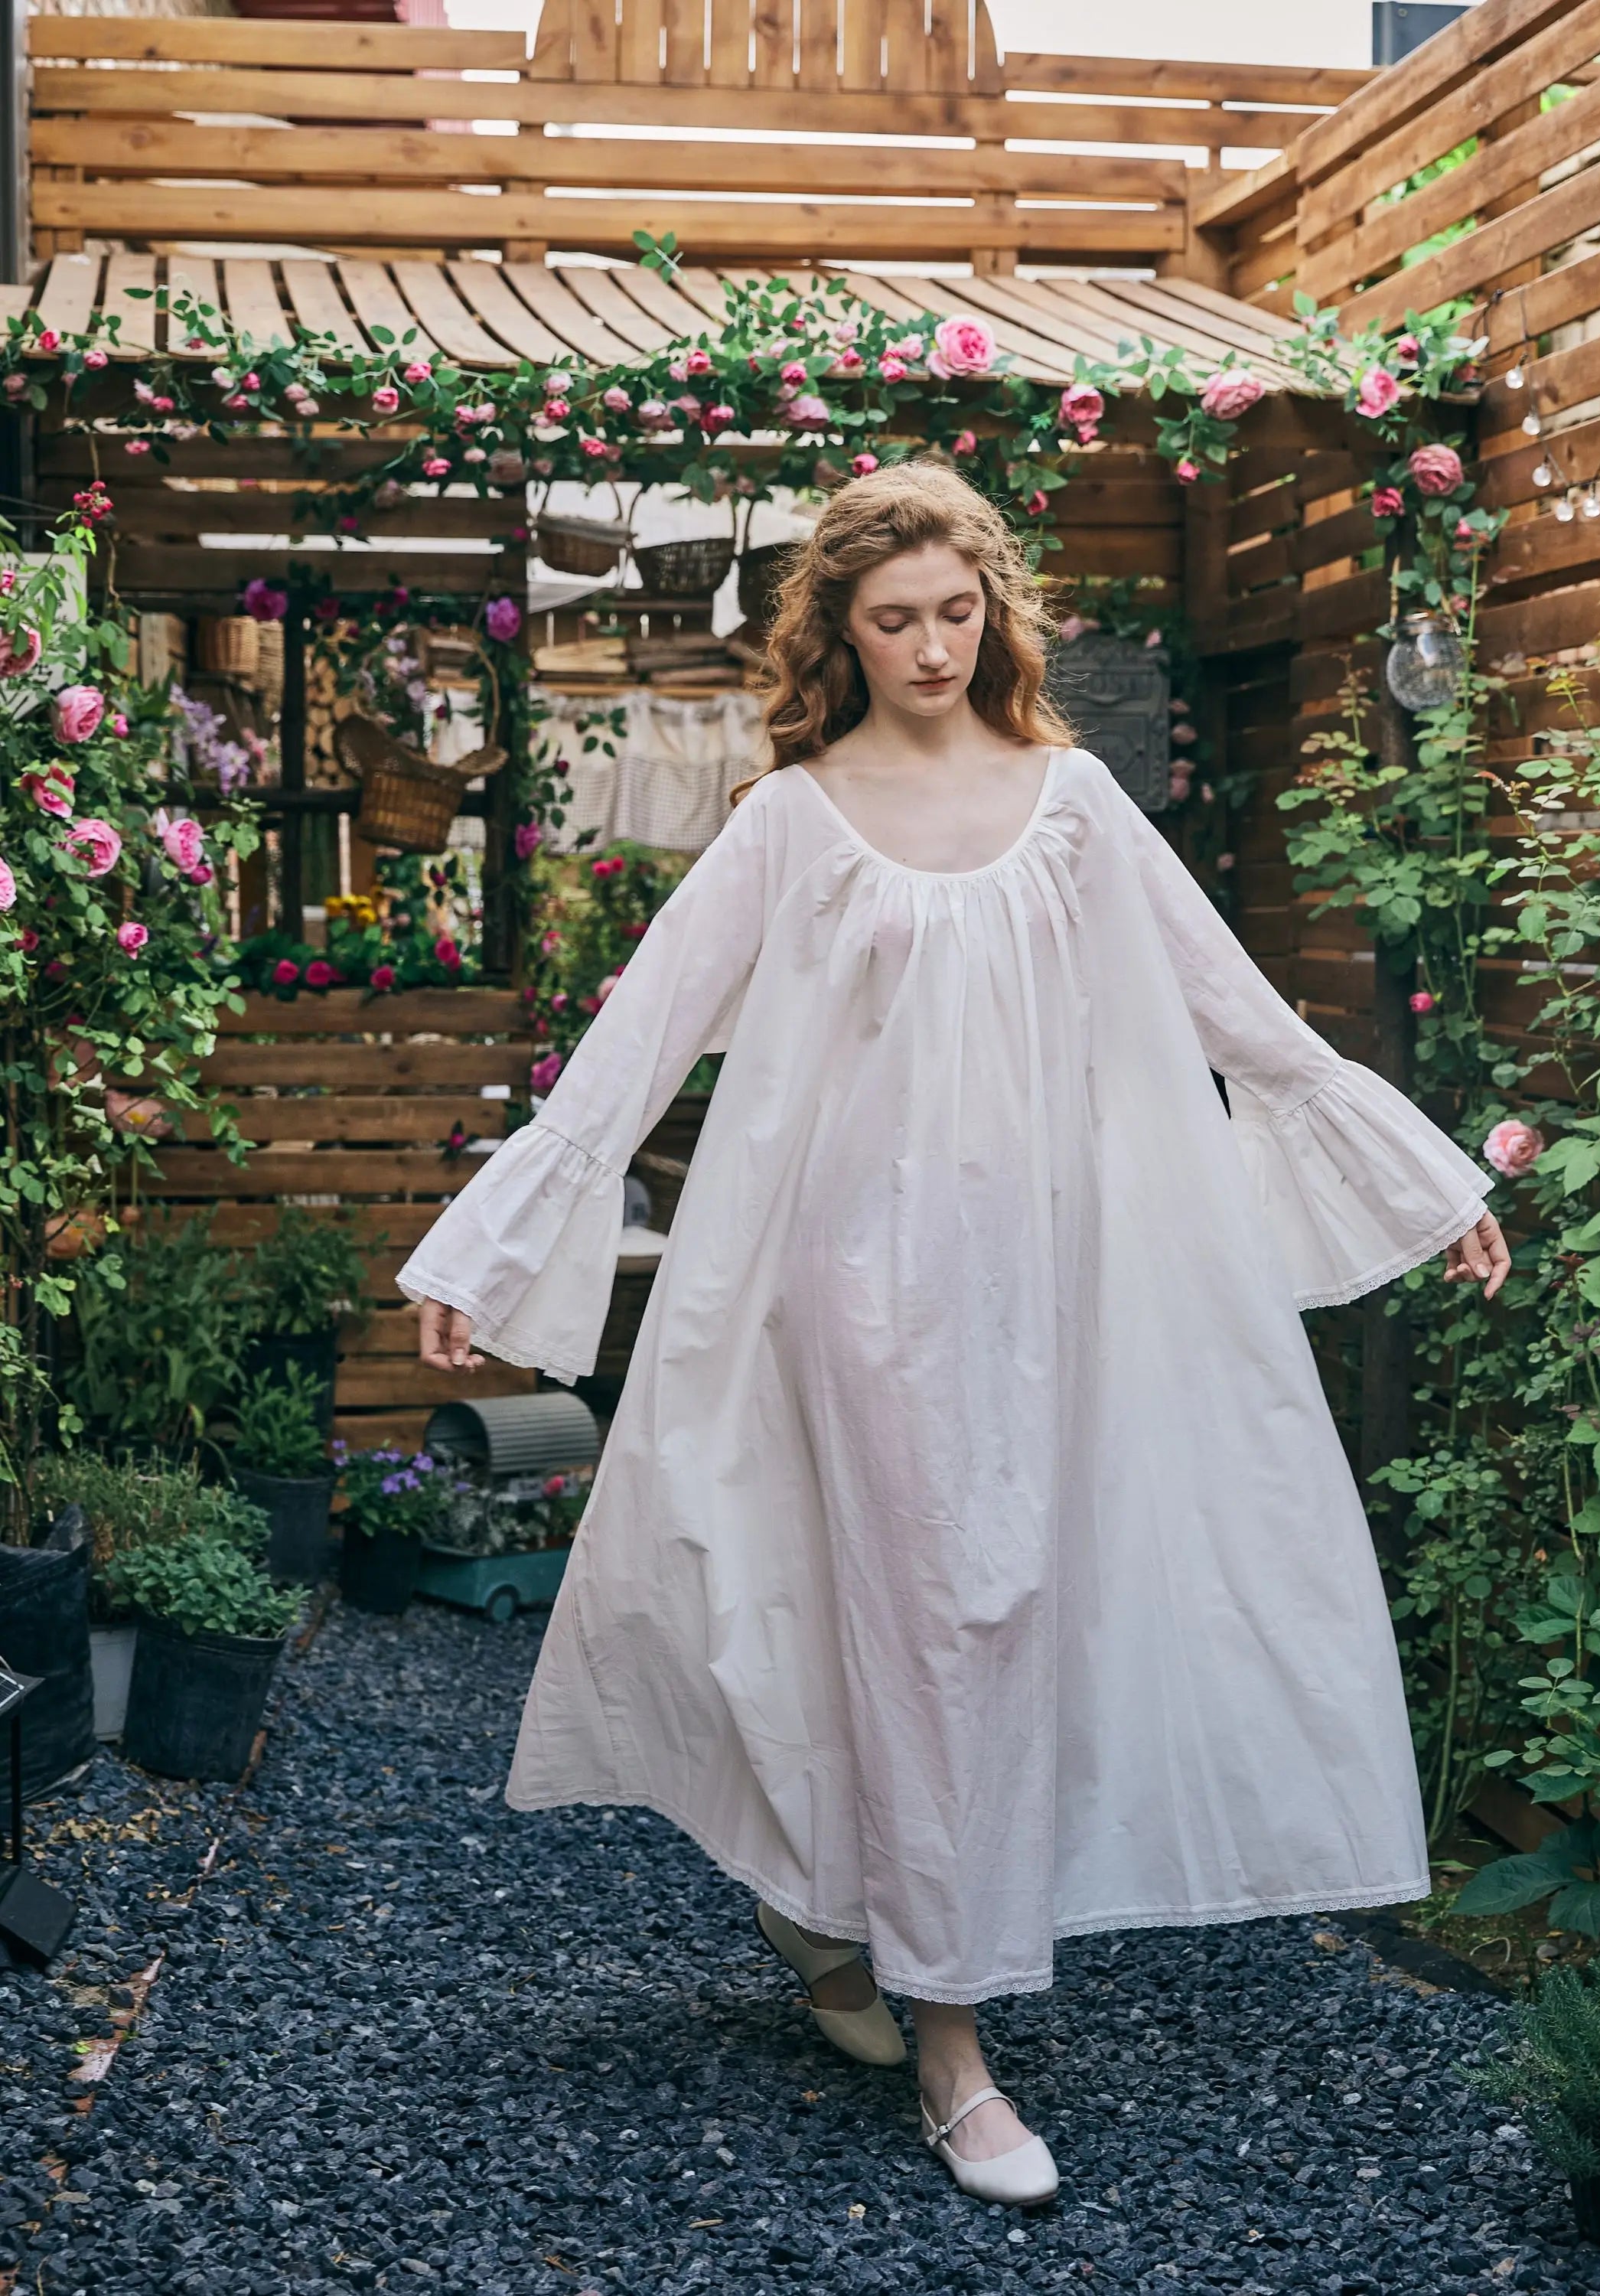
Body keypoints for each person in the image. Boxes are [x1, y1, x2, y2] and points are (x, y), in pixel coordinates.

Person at [404, 463, 1508, 2209]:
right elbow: (636, 1044)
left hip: (1049, 1288)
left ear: (995, 611)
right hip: (848, 1289)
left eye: (955, 612)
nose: (931, 647)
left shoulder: (1072, 804)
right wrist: (489, 1246)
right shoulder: (792, 820)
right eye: (893, 620)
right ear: (838, 636)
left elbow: (1234, 1012)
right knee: (940, 1619)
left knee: (990, 1617)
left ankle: (825, 1907)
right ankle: (954, 2045)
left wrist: (1424, 1184)